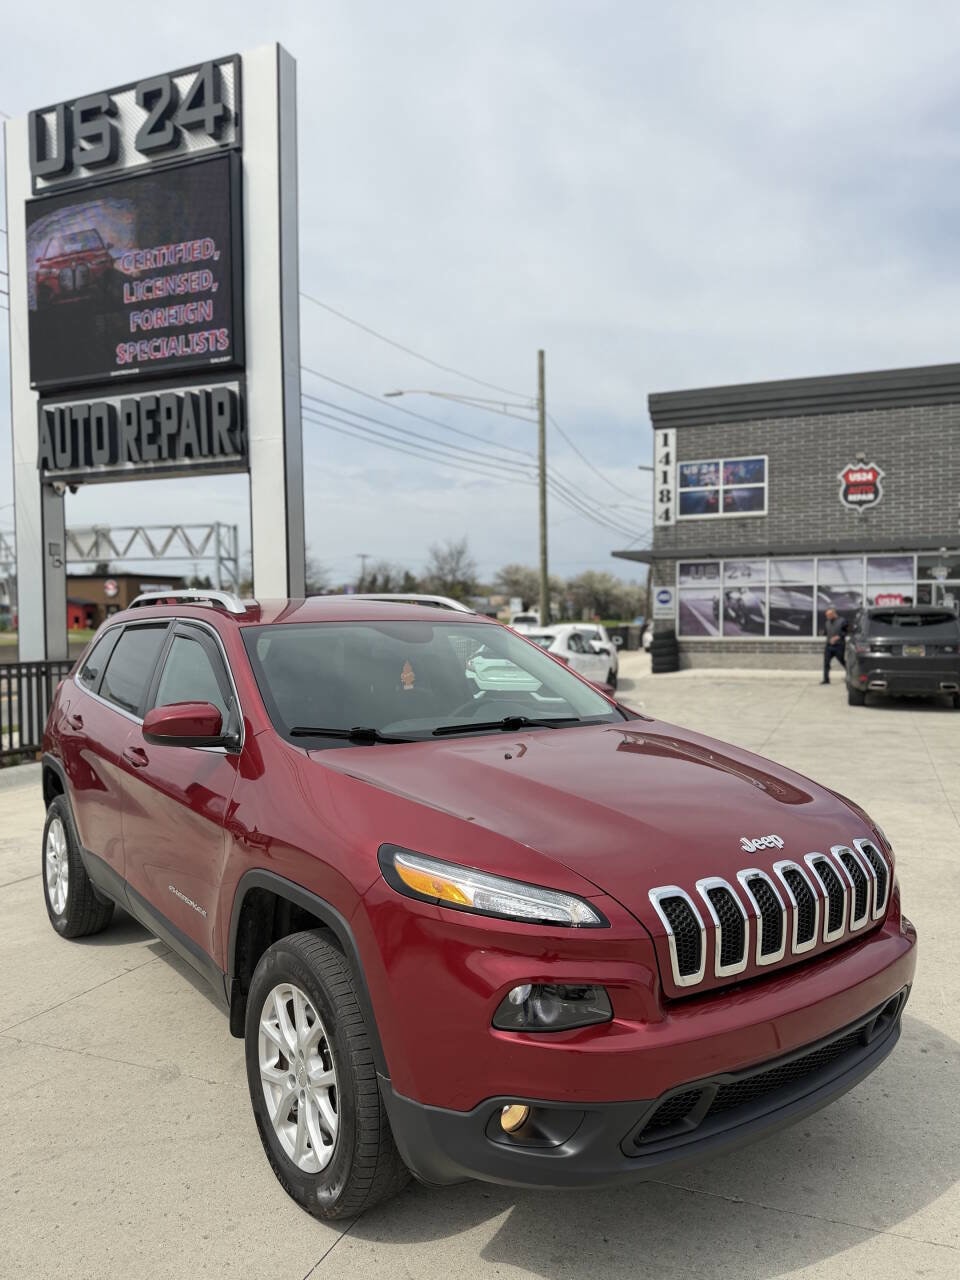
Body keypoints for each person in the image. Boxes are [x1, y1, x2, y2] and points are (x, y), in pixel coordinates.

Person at [821, 607, 848, 684]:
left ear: (833, 614)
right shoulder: (827, 622)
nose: (827, 617)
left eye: (828, 615)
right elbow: (826, 632)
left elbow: (847, 631)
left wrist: (838, 637)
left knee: (842, 661)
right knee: (826, 662)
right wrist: (823, 633)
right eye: (826, 615)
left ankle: (850, 675)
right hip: (829, 646)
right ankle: (826, 680)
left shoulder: (843, 621)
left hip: (839, 645)